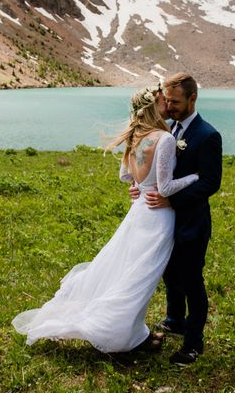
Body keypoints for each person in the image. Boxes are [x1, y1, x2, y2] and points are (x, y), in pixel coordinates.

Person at [12, 85, 199, 353]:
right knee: (141, 277)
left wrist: (138, 184)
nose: (167, 106)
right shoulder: (164, 138)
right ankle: (122, 335)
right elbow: (166, 188)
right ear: (152, 107)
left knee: (129, 271)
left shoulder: (135, 135)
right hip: (157, 216)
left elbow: (125, 176)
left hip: (138, 212)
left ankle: (137, 333)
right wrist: (195, 177)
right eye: (162, 101)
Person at [131, 72, 222, 365]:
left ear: (192, 98)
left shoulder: (208, 135)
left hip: (192, 221)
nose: (169, 106)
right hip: (165, 220)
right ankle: (174, 319)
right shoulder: (167, 128)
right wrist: (139, 185)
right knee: (170, 274)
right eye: (166, 100)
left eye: (175, 101)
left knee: (191, 280)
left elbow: (210, 182)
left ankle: (193, 343)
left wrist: (172, 198)